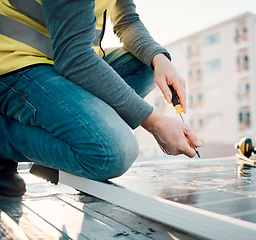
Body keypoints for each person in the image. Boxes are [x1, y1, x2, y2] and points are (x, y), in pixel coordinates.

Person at [0, 0, 201, 197]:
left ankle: (69, 144)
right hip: (15, 64)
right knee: (112, 154)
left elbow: (127, 21)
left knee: (146, 64)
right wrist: (155, 122)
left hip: (61, 62)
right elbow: (74, 57)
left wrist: (159, 59)